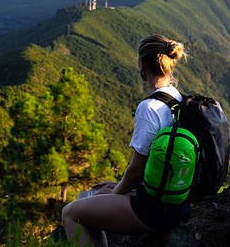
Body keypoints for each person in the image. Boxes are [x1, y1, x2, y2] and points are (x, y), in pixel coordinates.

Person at [61, 34, 190, 246]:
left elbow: (136, 170)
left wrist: (115, 193)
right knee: (101, 192)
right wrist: (113, 189)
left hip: (152, 210)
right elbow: (157, 165)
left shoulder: (149, 108)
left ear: (141, 64)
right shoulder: (178, 98)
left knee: (70, 212)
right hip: (176, 201)